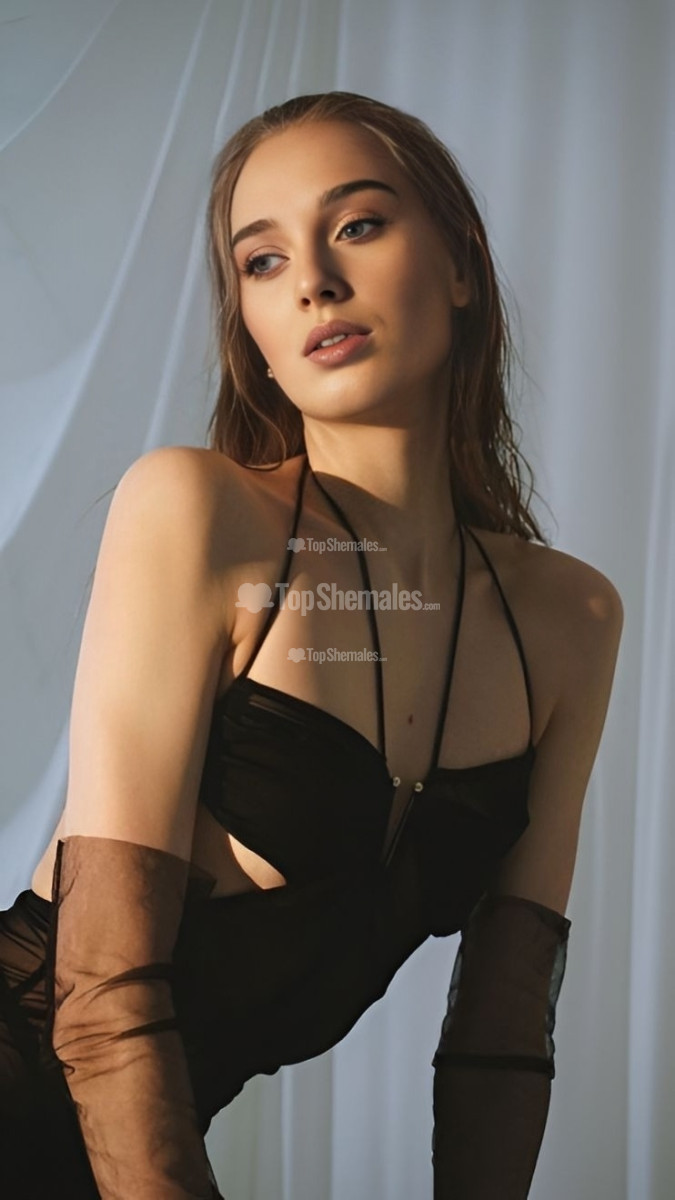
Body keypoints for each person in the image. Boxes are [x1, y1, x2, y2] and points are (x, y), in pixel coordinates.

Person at [0, 91, 623, 1198]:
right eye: (262, 261)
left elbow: (501, 1034)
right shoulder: (198, 512)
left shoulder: (569, 620)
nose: (313, 283)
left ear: (462, 265)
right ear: (250, 329)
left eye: (359, 225)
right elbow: (104, 1002)